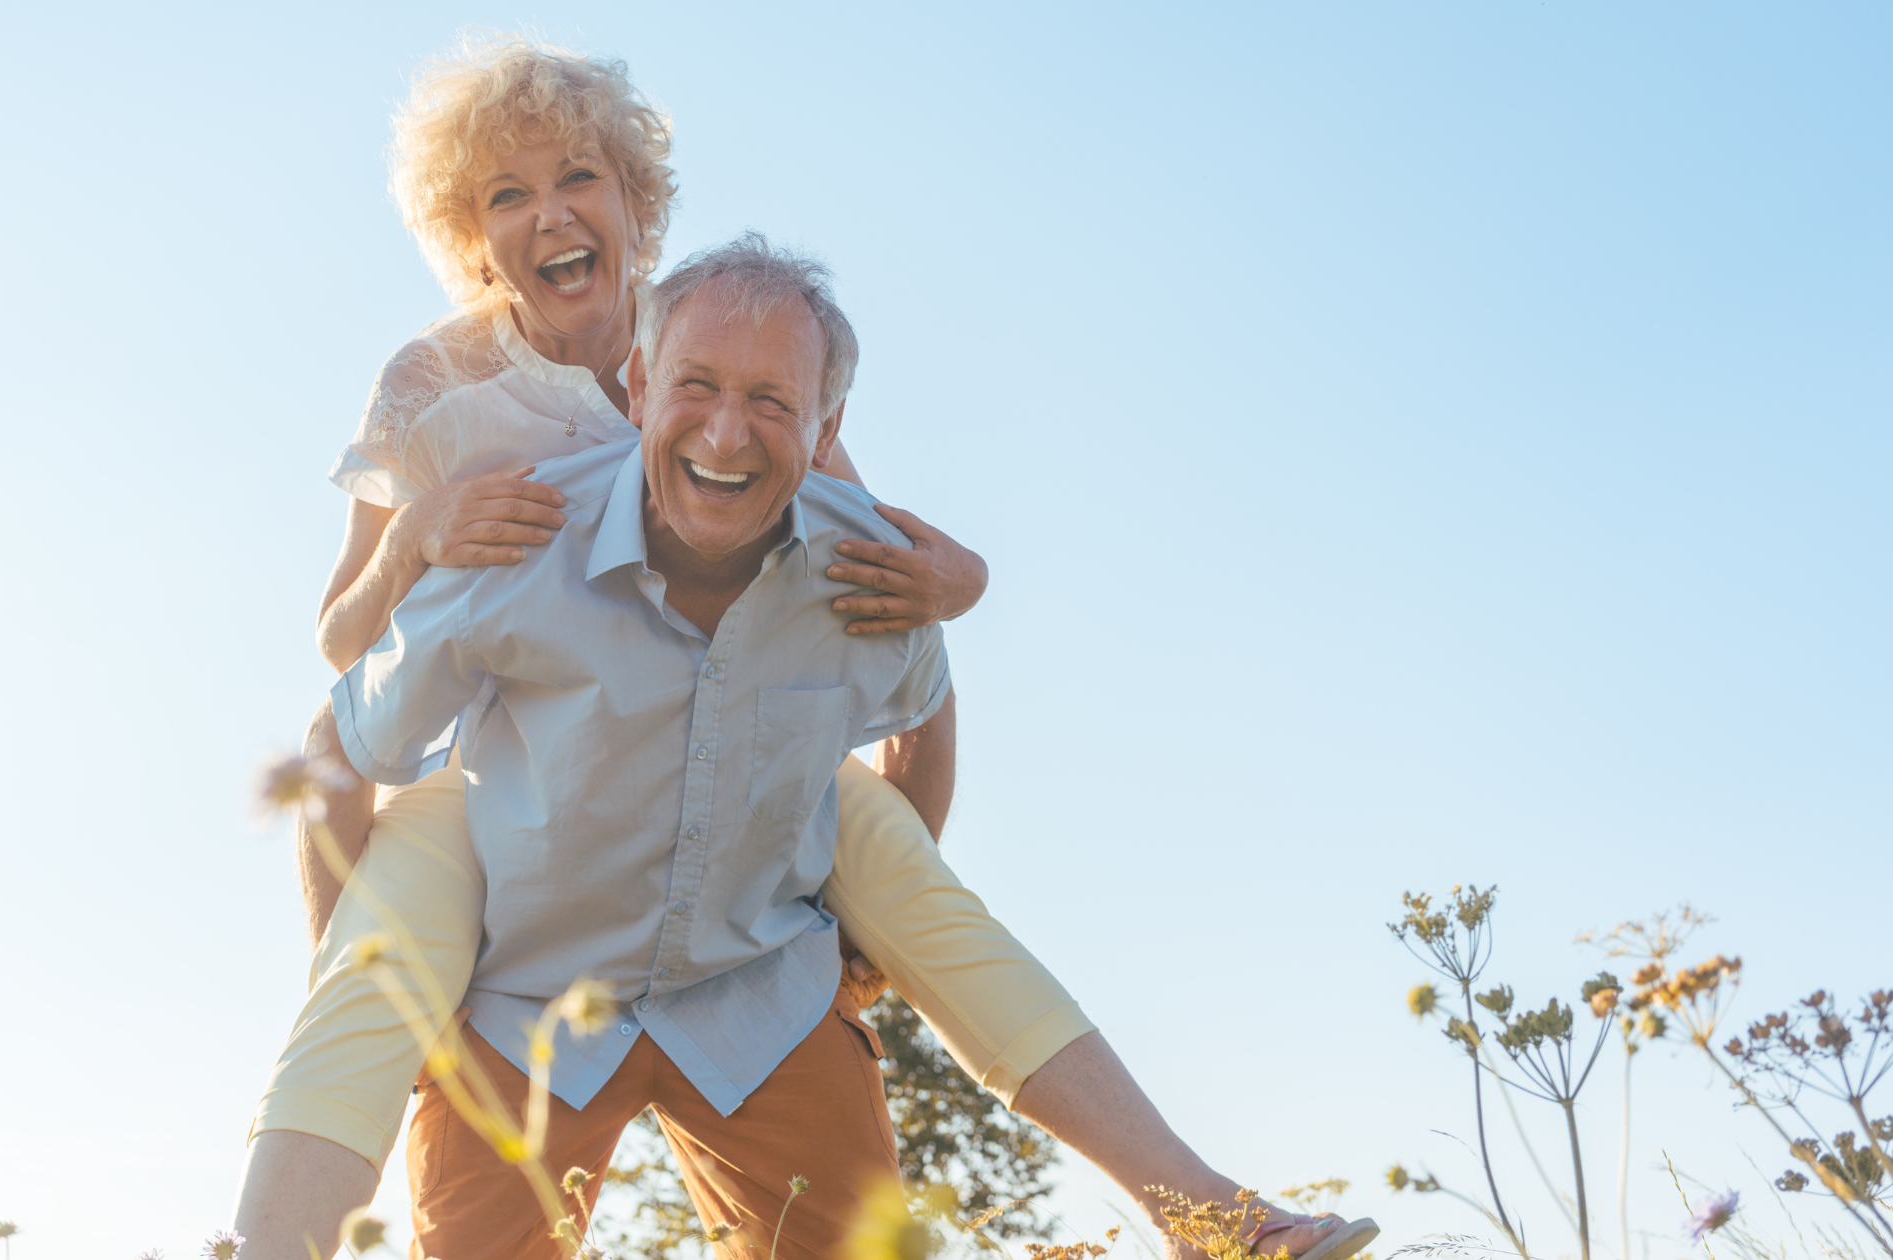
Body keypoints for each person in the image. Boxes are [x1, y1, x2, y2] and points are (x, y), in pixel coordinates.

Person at [235, 236, 1376, 1260]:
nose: (726, 433)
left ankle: (1208, 1221)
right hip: (532, 998)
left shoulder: (866, 573)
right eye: (693, 386)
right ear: (636, 386)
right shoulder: (513, 528)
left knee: (923, 945)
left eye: (771, 403)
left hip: (752, 998)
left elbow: (921, 712)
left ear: (827, 430)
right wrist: (363, 959)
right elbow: (349, 729)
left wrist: (863, 956)